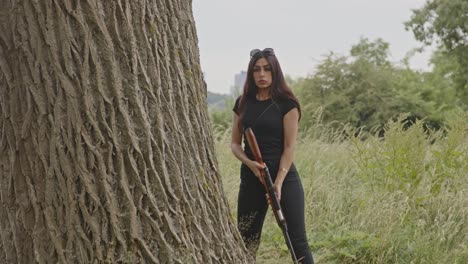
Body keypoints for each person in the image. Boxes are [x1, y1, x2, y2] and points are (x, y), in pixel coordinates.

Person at [231, 48, 314, 264]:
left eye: (267, 69)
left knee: (297, 242)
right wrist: (250, 164)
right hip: (251, 178)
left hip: (283, 177)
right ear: (251, 73)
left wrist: (277, 183)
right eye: (257, 70)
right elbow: (234, 144)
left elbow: (289, 148)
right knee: (247, 241)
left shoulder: (288, 104)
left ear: (275, 72)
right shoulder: (243, 103)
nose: (262, 74)